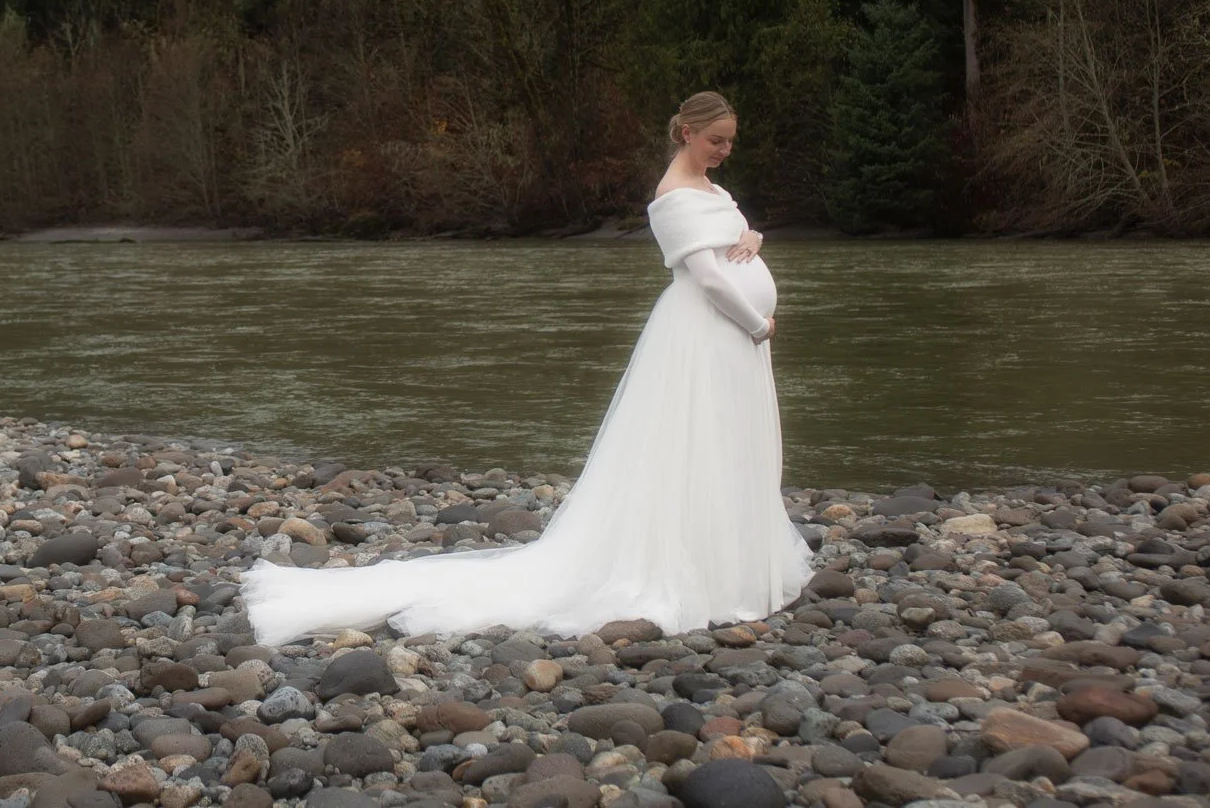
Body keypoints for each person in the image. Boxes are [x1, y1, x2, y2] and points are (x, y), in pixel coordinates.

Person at [239, 90, 813, 643]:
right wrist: (757, 323)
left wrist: (753, 241)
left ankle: (728, 557)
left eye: (731, 142)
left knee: (726, 443)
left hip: (729, 338)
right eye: (716, 140)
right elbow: (708, 276)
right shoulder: (672, 194)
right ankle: (694, 569)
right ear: (688, 132)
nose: (724, 150)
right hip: (708, 333)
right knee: (695, 444)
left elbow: (736, 237)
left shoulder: (710, 187)